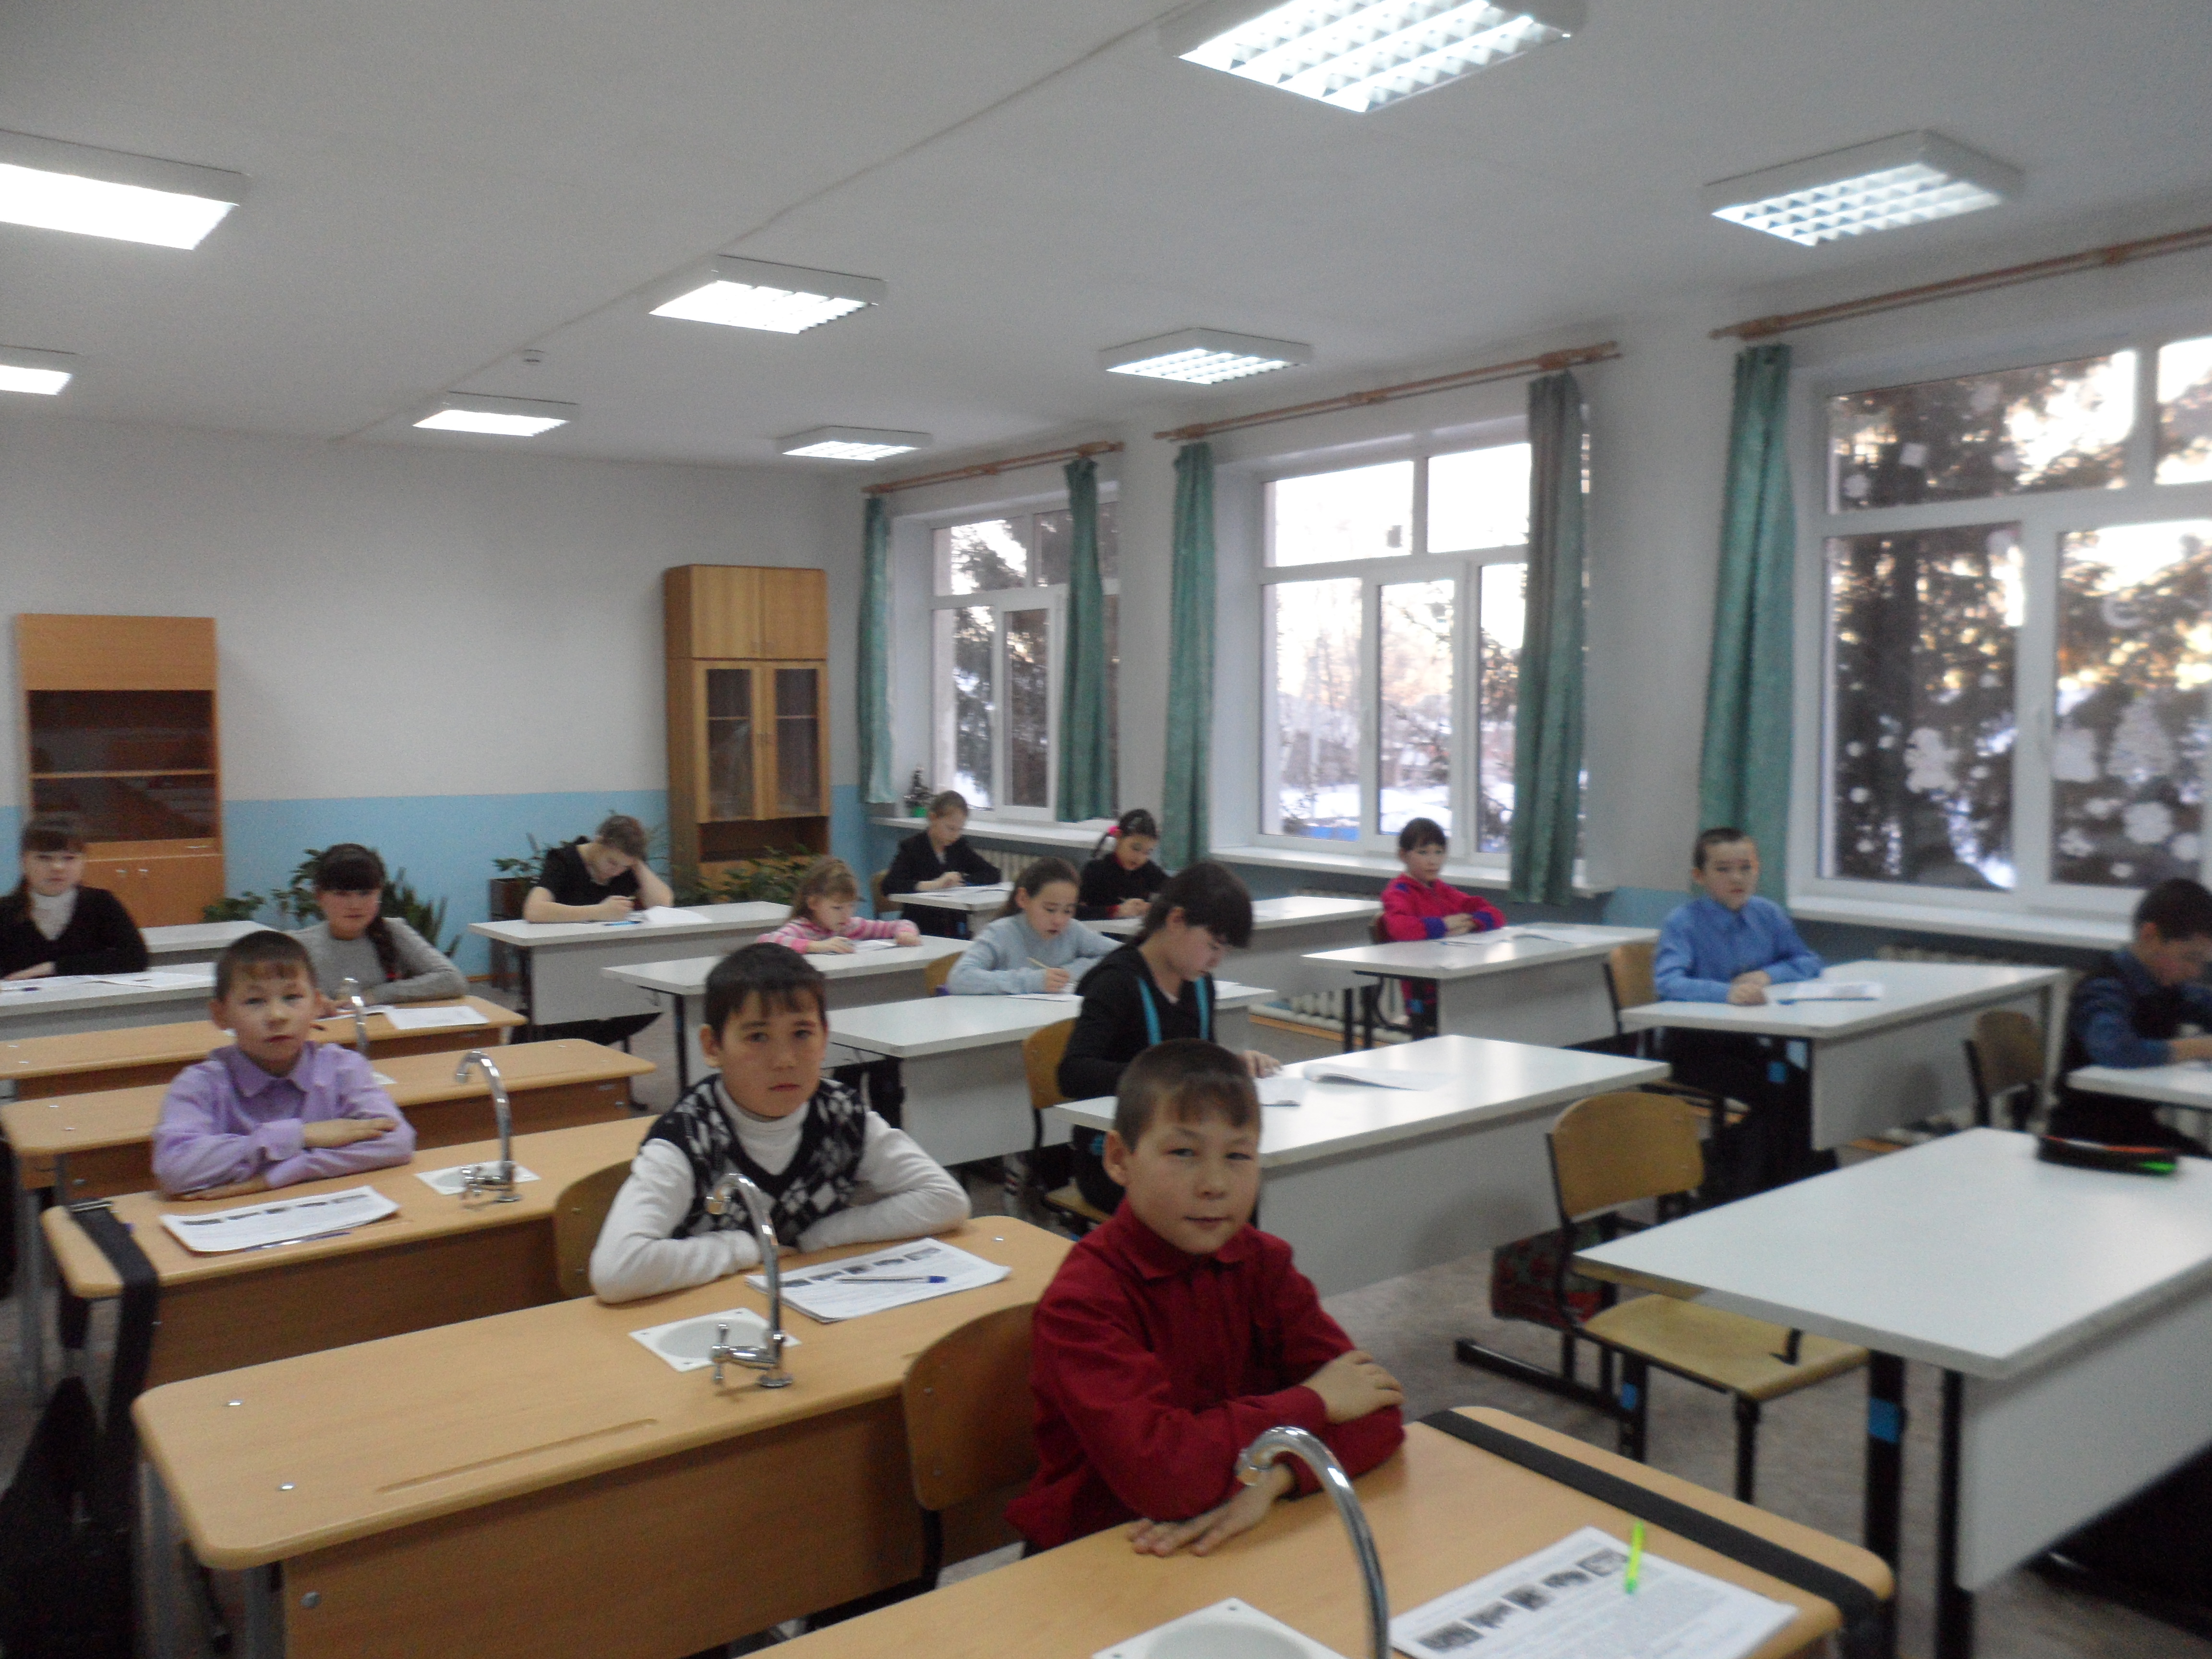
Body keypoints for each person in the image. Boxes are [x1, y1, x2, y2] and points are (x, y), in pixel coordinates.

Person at [1007, 1040, 1405, 1554]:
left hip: (1237, 1528)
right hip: (1109, 1548)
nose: (1215, 1184)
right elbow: (1166, 1478)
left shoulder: (1264, 1263)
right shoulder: (1084, 1299)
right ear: (1120, 1159)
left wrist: (1276, 1479)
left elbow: (1379, 1414)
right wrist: (1316, 1401)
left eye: (1238, 1155)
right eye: (1183, 1153)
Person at [589, 943, 970, 1303]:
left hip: (814, 1305)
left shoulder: (842, 1116)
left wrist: (824, 1235)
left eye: (802, 1034)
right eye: (758, 1037)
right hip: (716, 1316)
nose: (785, 1059)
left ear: (824, 1039)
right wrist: (749, 1247)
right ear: (713, 1047)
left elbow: (946, 1200)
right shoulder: (688, 1137)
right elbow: (617, 1270)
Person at [1058, 861, 1281, 1213]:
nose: (1217, 961)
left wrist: (1229, 1066)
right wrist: (1161, 1078)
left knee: (1248, 1188)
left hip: (1187, 1144)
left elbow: (1198, 1058)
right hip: (1115, 1161)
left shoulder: (1199, 983)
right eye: (1213, 946)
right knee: (1219, 1199)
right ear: (1176, 920)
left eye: (1224, 951)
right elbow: (1072, 1073)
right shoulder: (1116, 982)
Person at [150, 931, 416, 1198]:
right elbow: (175, 1168)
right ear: (221, 1015)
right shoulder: (201, 1083)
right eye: (255, 1001)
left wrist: (285, 1174)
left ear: (317, 1005)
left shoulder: (342, 1068)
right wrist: (302, 1135)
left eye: (292, 997)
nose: (277, 1016)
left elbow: (397, 1141)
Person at [1652, 828, 1827, 1193]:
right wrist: (1725, 993)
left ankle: (1785, 1181)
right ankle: (1725, 1175)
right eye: (1723, 869)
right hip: (1694, 1048)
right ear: (1699, 876)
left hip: (1747, 1044)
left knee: (1807, 1091)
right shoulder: (1683, 922)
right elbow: (1668, 982)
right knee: (1778, 1099)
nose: (1737, 878)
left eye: (1746, 868)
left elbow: (1808, 961)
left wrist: (1768, 975)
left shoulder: (1768, 914)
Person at [2051, 877, 2212, 1155]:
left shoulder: (2163, 985)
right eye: (2190, 957)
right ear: (2150, 936)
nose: (2196, 971)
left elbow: (2204, 1005)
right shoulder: (2105, 988)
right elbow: (2116, 1048)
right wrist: (2200, 1047)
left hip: (2135, 1129)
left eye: (2203, 962)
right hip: (2087, 1138)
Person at [521, 814, 674, 1045]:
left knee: (653, 1002)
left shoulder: (627, 868)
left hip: (612, 963)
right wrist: (597, 912)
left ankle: (590, 1044)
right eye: (612, 862)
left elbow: (663, 903)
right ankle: (583, 1044)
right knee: (572, 1016)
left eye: (625, 867)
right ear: (599, 841)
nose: (616, 872)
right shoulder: (564, 860)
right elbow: (534, 910)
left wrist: (637, 864)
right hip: (564, 966)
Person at [293, 842, 467, 1006]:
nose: (355, 905)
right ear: (319, 896)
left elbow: (453, 980)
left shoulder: (393, 931)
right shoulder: (297, 944)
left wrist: (373, 996)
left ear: (380, 894)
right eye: (341, 894)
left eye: (365, 893)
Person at [1378, 817, 1503, 1034]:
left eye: (1439, 852)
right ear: (1403, 856)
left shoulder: (1441, 890)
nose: (1433, 861)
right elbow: (1400, 928)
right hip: (1424, 994)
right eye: (1423, 853)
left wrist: (1472, 924)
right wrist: (1444, 925)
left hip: (1454, 981)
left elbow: (1496, 914)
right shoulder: (1398, 892)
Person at [0, 817, 148, 980]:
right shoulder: (5, 911)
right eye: (44, 858)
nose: (57, 867)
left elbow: (136, 958)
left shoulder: (101, 903)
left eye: (69, 858)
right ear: (24, 861)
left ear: (83, 861)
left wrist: (53, 968)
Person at [946, 857, 1118, 996]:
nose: (1059, 920)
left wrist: (1067, 972)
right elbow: (960, 978)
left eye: (1068, 911)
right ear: (1023, 899)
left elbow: (1122, 955)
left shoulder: (1073, 930)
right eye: (1050, 909)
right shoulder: (1000, 933)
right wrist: (1033, 981)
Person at [884, 791, 1002, 939]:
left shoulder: (958, 847)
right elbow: (889, 885)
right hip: (920, 928)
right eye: (951, 829)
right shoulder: (912, 848)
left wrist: (962, 881)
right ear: (933, 818)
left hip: (955, 928)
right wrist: (934, 885)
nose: (956, 835)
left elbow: (993, 873)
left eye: (960, 830)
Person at [761, 858, 921, 955]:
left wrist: (905, 934)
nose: (846, 916)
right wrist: (817, 946)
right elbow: (766, 942)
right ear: (813, 903)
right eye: (837, 908)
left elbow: (901, 924)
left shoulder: (850, 926)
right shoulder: (801, 929)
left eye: (851, 906)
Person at [1078, 809, 1168, 922]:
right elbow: (1075, 912)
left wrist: (1154, 908)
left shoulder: (1148, 871)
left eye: (1147, 852)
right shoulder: (1095, 870)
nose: (1140, 858)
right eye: (1135, 848)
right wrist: (1116, 911)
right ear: (1119, 837)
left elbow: (1177, 891)